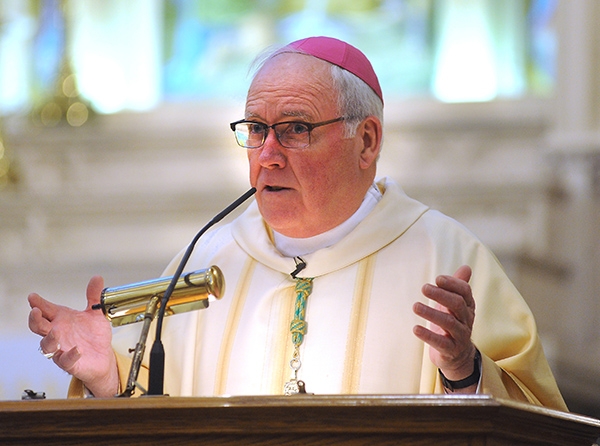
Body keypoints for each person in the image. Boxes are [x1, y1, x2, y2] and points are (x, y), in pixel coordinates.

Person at [28, 36, 567, 410]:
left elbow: (537, 422)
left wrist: (464, 370)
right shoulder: (210, 259)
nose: (267, 154)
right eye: (256, 129)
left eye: (295, 128)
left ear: (368, 141)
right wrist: (107, 375)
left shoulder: (446, 258)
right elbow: (154, 418)